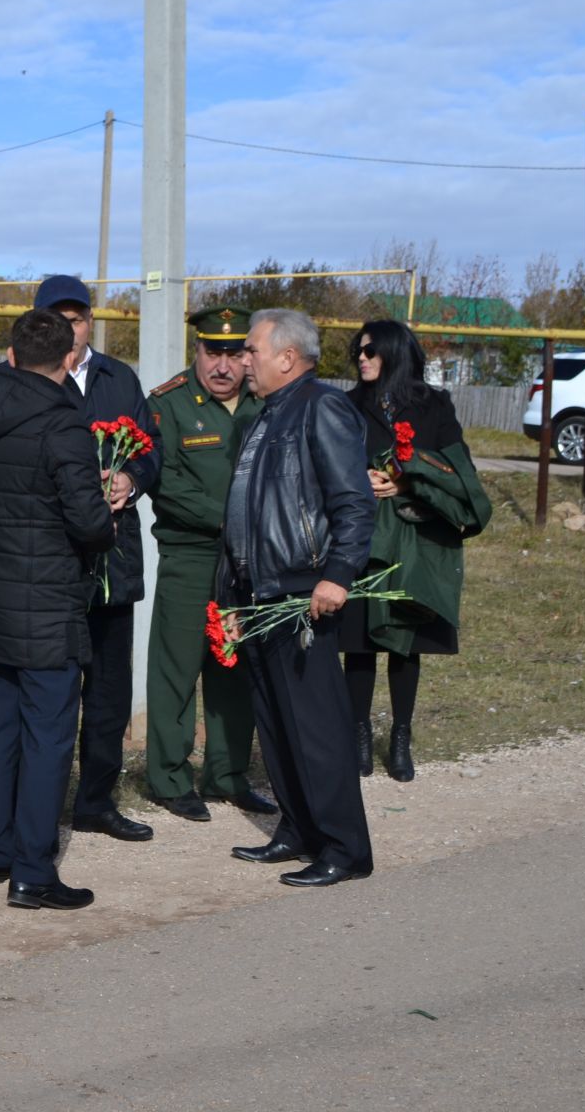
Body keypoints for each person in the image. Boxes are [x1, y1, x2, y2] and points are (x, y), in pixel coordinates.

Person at [0, 308, 115, 910]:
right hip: (49, 600)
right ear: (70, 360)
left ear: (10, 352)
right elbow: (88, 522)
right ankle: (33, 870)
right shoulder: (63, 425)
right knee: (49, 736)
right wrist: (106, 517)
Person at [222, 308, 375, 887]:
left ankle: (344, 846)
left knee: (316, 727)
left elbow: (354, 502)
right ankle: (297, 828)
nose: (243, 361)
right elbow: (243, 511)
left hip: (303, 592)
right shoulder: (267, 415)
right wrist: (231, 595)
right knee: (276, 722)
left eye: (251, 351)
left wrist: (337, 574)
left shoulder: (322, 407)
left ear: (287, 356)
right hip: (260, 594)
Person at [34, 274, 161, 843]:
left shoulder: (119, 378)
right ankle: (39, 803)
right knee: (53, 689)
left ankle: (96, 802)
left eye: (78, 318)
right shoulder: (22, 380)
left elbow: (153, 451)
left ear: (90, 322)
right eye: (57, 319)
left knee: (109, 691)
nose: (70, 329)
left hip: (113, 558)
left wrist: (130, 480)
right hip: (53, 560)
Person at [141, 308, 278, 821]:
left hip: (250, 561)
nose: (223, 365)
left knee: (234, 667)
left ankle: (228, 774)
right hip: (193, 555)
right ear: (196, 351)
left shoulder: (264, 404)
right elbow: (166, 482)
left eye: (235, 354)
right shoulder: (169, 404)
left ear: (249, 357)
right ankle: (171, 778)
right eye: (212, 352)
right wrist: (231, 520)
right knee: (177, 668)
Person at [341, 320, 491, 783]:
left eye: (370, 351)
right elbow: (331, 460)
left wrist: (406, 479)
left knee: (407, 643)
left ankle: (401, 737)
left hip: (416, 538)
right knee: (359, 642)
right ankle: (359, 736)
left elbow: (456, 466)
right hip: (365, 538)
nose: (361, 358)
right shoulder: (346, 406)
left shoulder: (433, 406)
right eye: (358, 352)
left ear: (394, 352)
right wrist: (359, 480)